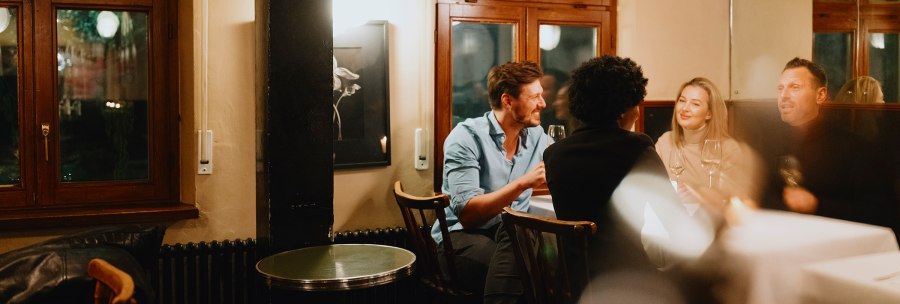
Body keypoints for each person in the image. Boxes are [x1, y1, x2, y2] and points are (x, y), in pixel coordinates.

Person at [543, 56, 715, 302]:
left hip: (574, 282)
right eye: (637, 104)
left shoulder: (554, 153)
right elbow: (674, 223)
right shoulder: (636, 147)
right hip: (628, 281)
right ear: (622, 109)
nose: (637, 112)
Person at [432, 60, 550, 302]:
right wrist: (522, 183)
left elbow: (564, 164)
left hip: (510, 235)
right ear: (508, 101)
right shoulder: (466, 137)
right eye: (534, 97)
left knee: (524, 234)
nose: (543, 104)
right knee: (527, 271)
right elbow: (468, 215)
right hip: (460, 238)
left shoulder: (537, 136)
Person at [762, 57, 899, 235]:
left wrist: (817, 205)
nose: (784, 95)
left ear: (820, 95)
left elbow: (880, 213)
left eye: (795, 87)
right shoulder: (770, 142)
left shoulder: (853, 147)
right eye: (780, 88)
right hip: (781, 237)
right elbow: (767, 196)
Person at [655, 77, 760, 205]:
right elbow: (653, 187)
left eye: (695, 104)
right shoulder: (665, 141)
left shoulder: (728, 148)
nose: (685, 108)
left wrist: (700, 195)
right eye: (682, 101)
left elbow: (736, 201)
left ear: (709, 113)